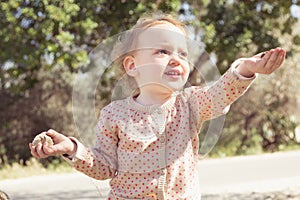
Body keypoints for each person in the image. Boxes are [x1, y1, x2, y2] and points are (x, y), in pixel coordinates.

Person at [29, 13, 286, 200]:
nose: (176, 59)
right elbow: (104, 166)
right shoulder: (114, 115)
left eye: (182, 53)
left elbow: (220, 94)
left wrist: (245, 68)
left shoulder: (191, 103)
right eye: (162, 51)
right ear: (132, 66)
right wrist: (73, 148)